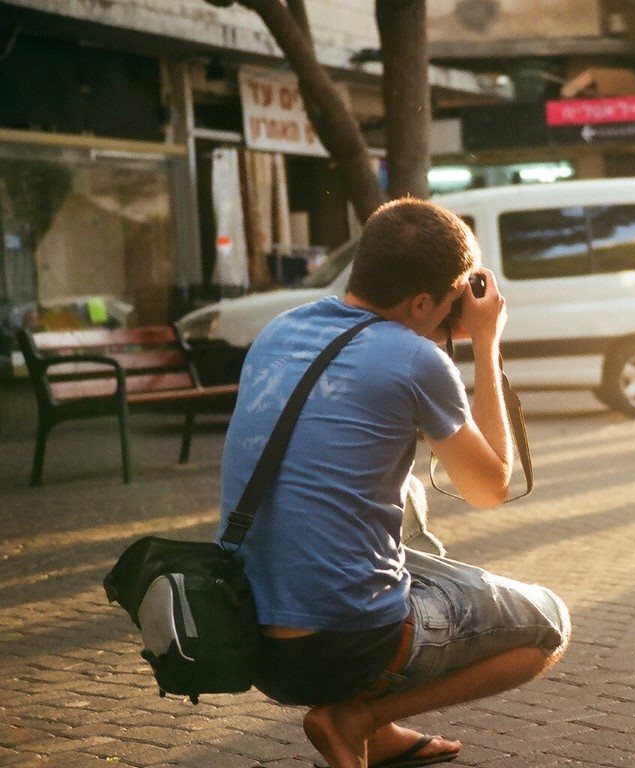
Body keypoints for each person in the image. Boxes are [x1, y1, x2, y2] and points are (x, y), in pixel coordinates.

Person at [216, 198, 570, 768]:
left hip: (247, 624)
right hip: (342, 645)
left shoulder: (280, 331)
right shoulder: (412, 359)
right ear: (424, 302)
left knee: (386, 545)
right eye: (456, 299)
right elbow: (490, 489)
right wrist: (485, 342)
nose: (461, 309)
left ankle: (376, 741)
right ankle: (358, 718)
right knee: (548, 624)